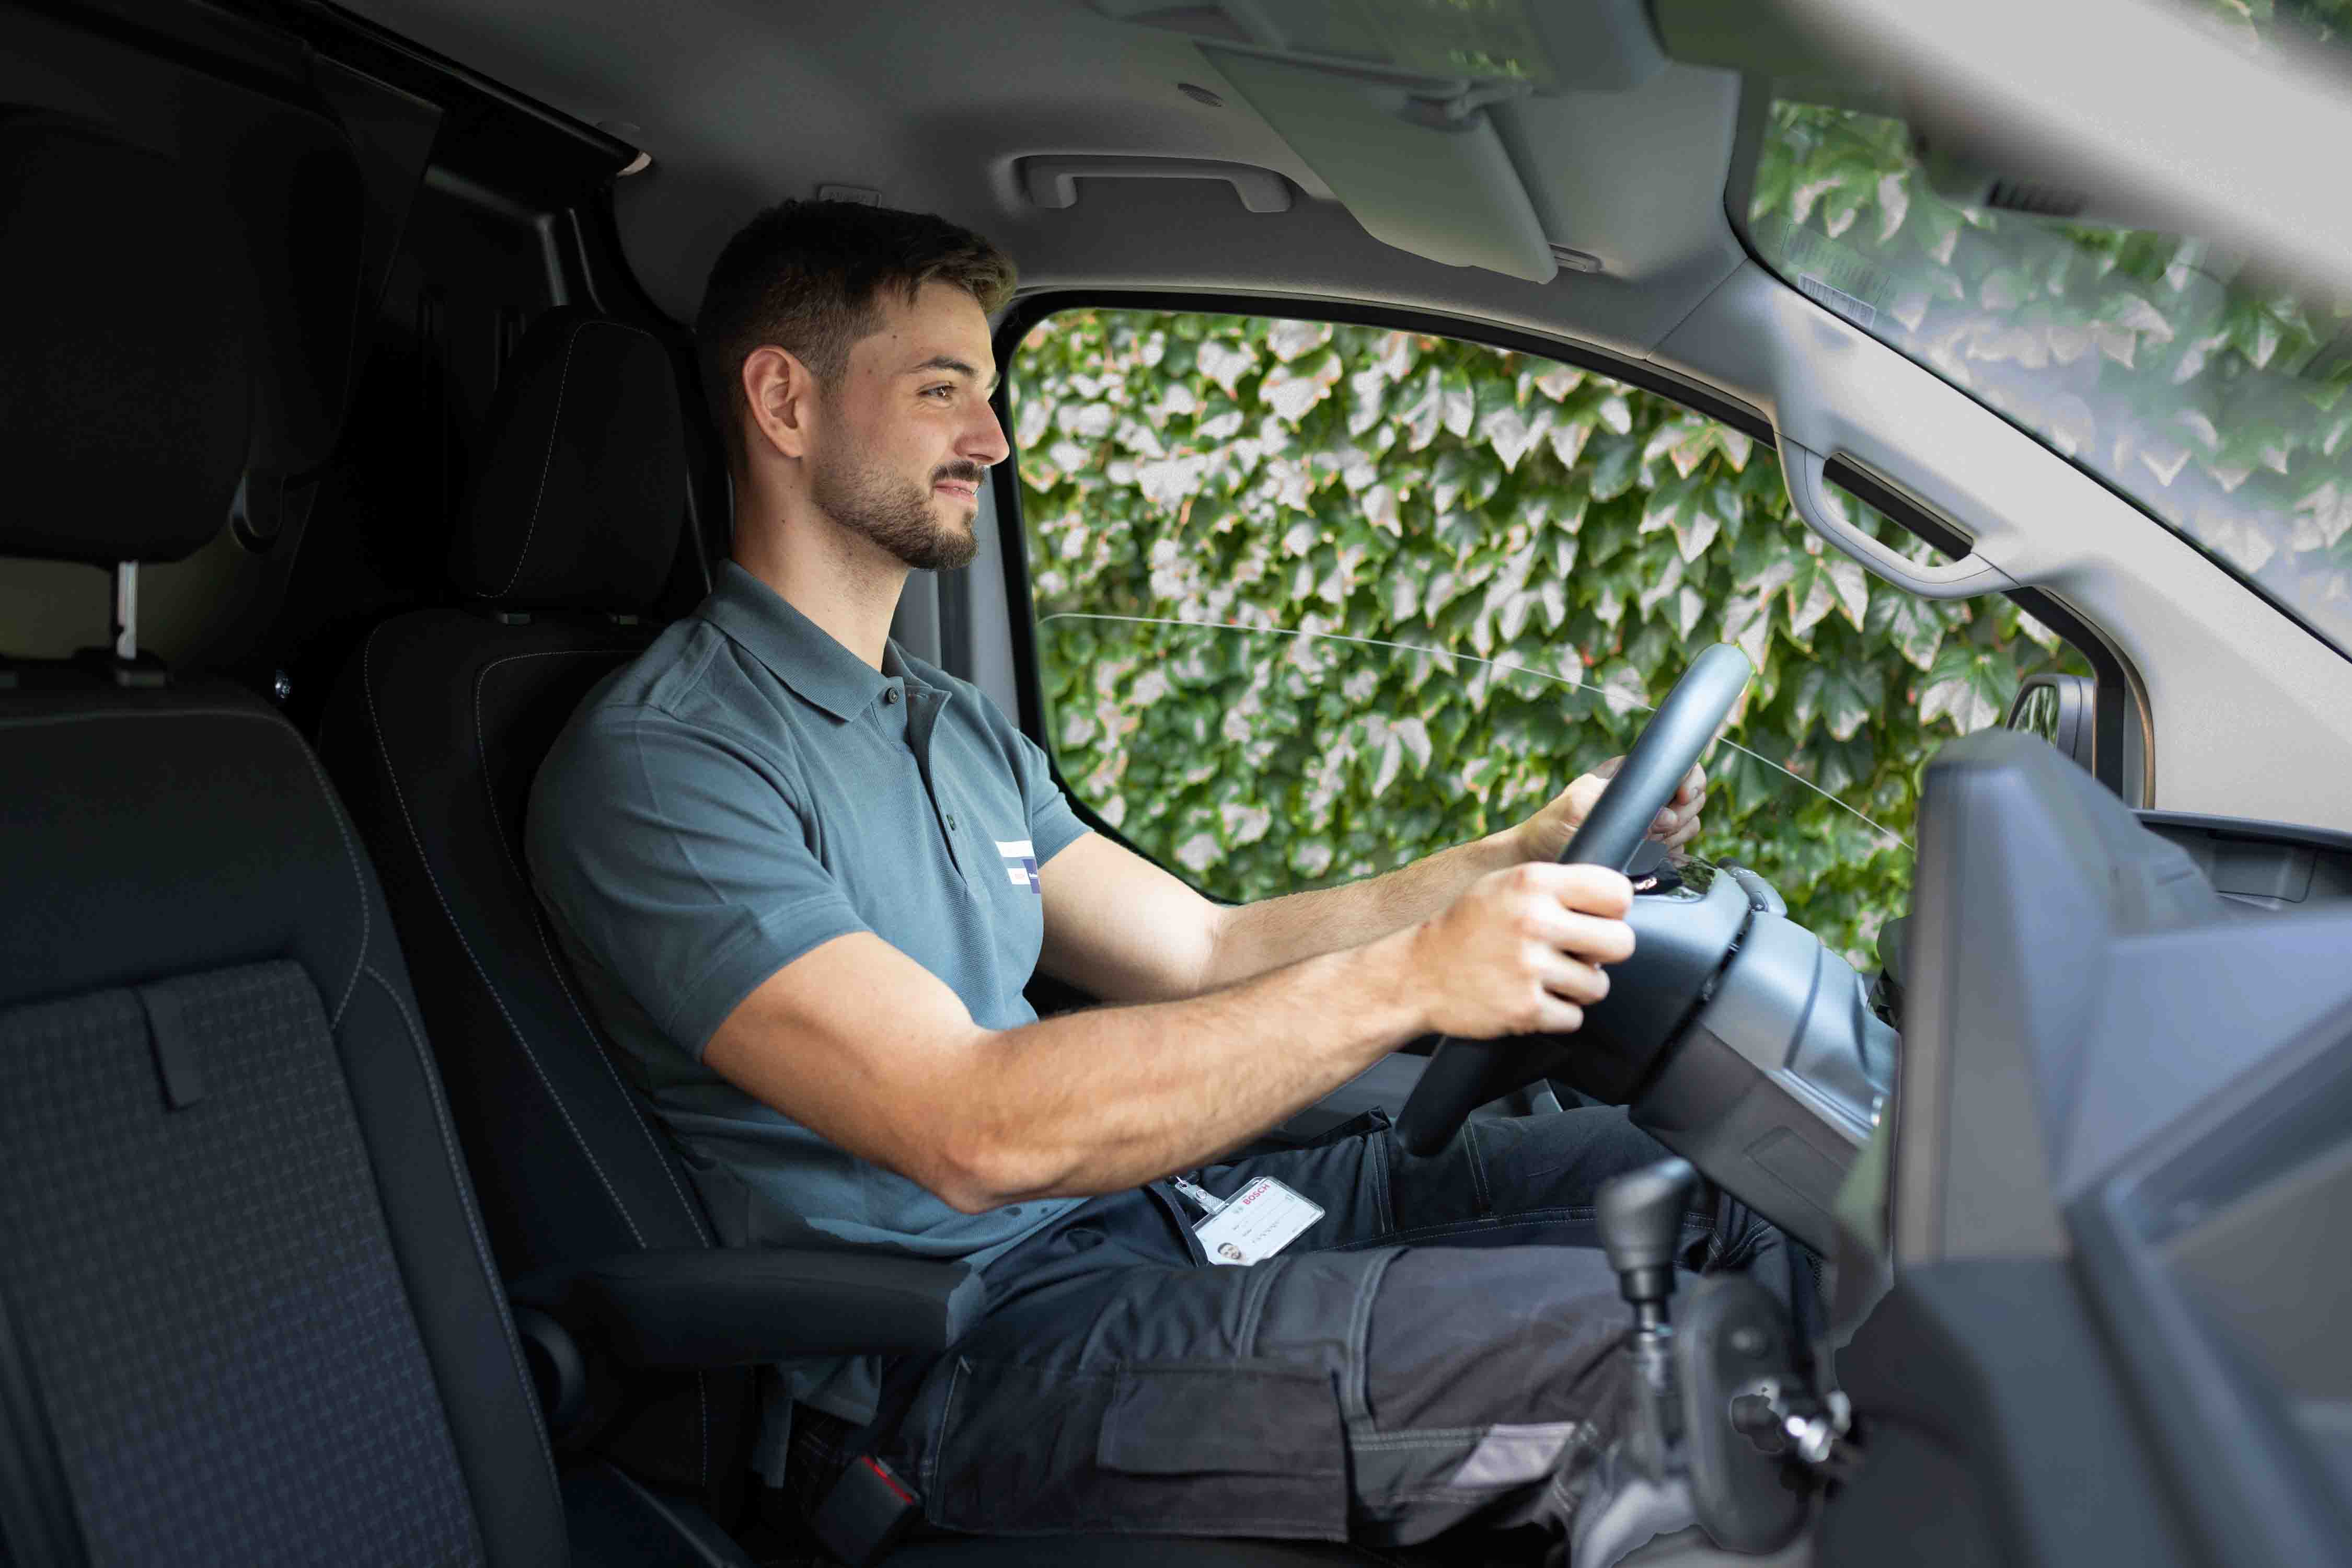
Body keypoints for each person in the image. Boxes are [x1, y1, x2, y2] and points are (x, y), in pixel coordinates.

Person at [526, 199, 1775, 1563]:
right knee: (1657, 1371)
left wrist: (1501, 862)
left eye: (990, 395)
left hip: (1145, 1225)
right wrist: (1413, 978)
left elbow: (1198, 946)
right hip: (956, 1353)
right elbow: (966, 1128)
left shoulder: (946, 723)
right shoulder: (670, 765)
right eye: (944, 392)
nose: (992, 441)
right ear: (782, 400)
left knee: (1727, 1189)